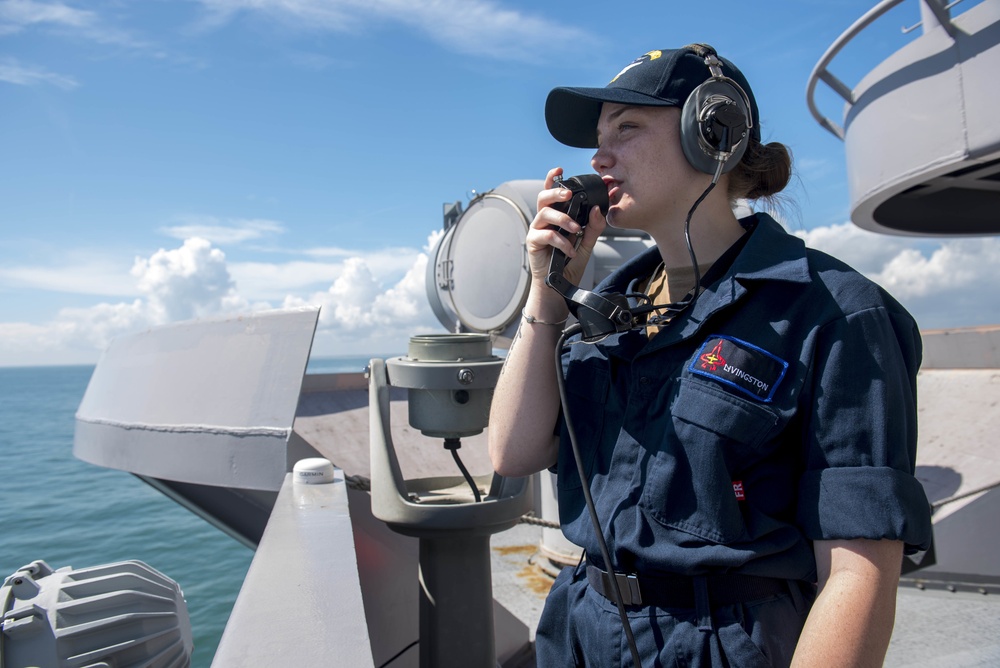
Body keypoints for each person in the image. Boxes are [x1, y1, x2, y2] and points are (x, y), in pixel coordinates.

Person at [488, 45, 933, 667]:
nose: (599, 156)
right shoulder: (609, 310)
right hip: (582, 632)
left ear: (712, 134)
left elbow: (860, 574)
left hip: (723, 643)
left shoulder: (832, 312)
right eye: (599, 136)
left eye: (628, 128)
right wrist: (547, 292)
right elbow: (514, 450)